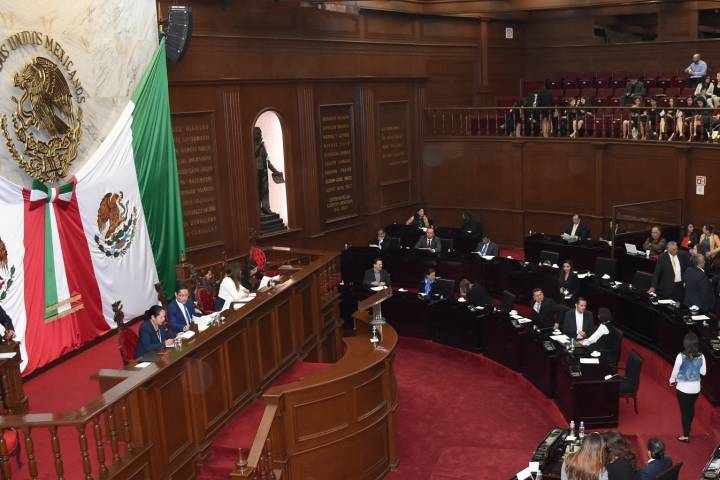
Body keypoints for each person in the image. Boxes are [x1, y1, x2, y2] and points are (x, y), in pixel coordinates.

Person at [670, 332, 707, 442]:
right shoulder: (701, 356)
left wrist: (671, 380)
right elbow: (703, 372)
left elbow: (675, 372)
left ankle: (686, 436)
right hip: (696, 388)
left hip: (683, 389)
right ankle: (688, 428)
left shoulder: (680, 356)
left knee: (685, 412)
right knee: (690, 408)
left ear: (685, 343)